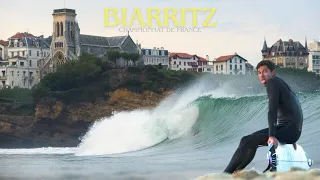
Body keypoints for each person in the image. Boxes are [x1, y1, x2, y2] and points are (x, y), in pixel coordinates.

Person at [223, 60, 303, 174]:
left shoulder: (272, 83)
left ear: (273, 73)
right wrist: (293, 134)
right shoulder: (280, 83)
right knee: (248, 140)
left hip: (289, 129)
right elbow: (296, 107)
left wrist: (272, 136)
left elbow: (272, 111)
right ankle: (237, 172)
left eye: (265, 71)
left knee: (247, 141)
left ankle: (224, 175)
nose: (262, 75)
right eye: (259, 72)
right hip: (291, 129)